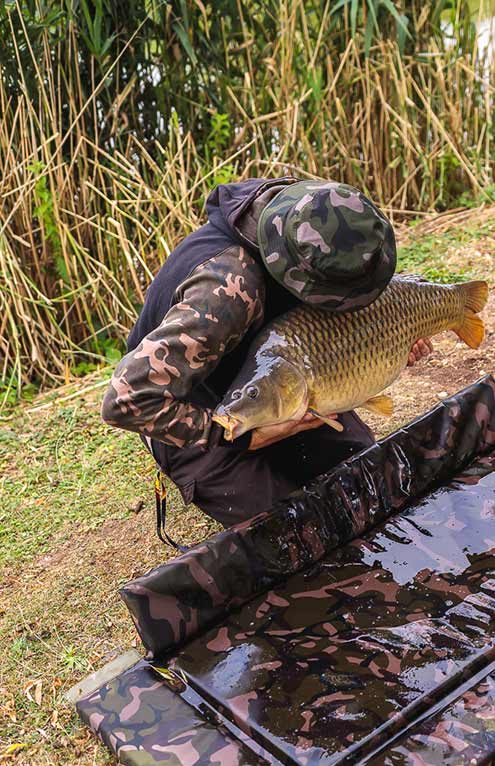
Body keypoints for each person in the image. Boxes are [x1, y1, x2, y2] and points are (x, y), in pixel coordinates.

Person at [101, 177, 432, 527]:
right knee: (291, 530)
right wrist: (241, 438)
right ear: (302, 277)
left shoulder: (307, 212)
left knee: (369, 479)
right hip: (204, 407)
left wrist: (393, 337)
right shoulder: (225, 291)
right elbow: (126, 401)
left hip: (277, 372)